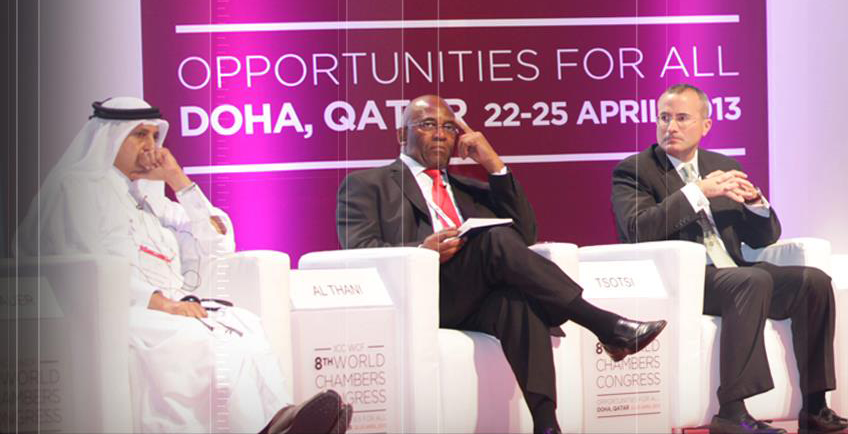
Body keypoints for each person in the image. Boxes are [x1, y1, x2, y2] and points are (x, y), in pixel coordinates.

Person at [13, 98, 350, 433]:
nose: (151, 146)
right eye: (139, 135)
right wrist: (162, 303)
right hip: (116, 314)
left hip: (167, 308)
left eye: (154, 136)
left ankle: (280, 418)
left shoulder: (149, 202)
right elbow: (85, 267)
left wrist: (179, 182)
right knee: (202, 341)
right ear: (110, 138)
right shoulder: (76, 189)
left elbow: (219, 243)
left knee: (245, 325)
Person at [336, 94, 665, 434]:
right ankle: (602, 323)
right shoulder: (367, 184)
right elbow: (358, 250)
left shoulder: (469, 189)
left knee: (517, 302)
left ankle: (547, 425)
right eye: (428, 125)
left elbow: (524, 235)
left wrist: (493, 164)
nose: (441, 134)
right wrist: (422, 250)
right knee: (493, 238)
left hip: (469, 297)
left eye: (449, 127)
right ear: (401, 135)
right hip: (418, 297)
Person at [610, 84, 848, 434]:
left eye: (681, 118)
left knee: (813, 281)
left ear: (705, 125)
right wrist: (697, 192)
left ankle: (815, 407)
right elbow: (637, 229)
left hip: (735, 271)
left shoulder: (722, 166)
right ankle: (732, 412)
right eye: (664, 118)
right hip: (687, 281)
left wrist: (755, 203)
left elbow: (762, 238)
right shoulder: (635, 170)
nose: (670, 127)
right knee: (750, 281)